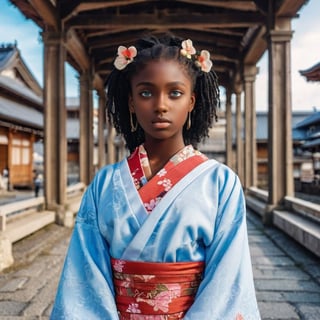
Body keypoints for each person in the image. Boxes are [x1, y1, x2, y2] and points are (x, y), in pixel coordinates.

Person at [51, 34, 260, 319]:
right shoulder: (104, 184)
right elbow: (84, 277)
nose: (160, 105)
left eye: (175, 93)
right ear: (132, 103)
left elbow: (227, 280)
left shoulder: (221, 183)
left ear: (191, 102)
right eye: (146, 93)